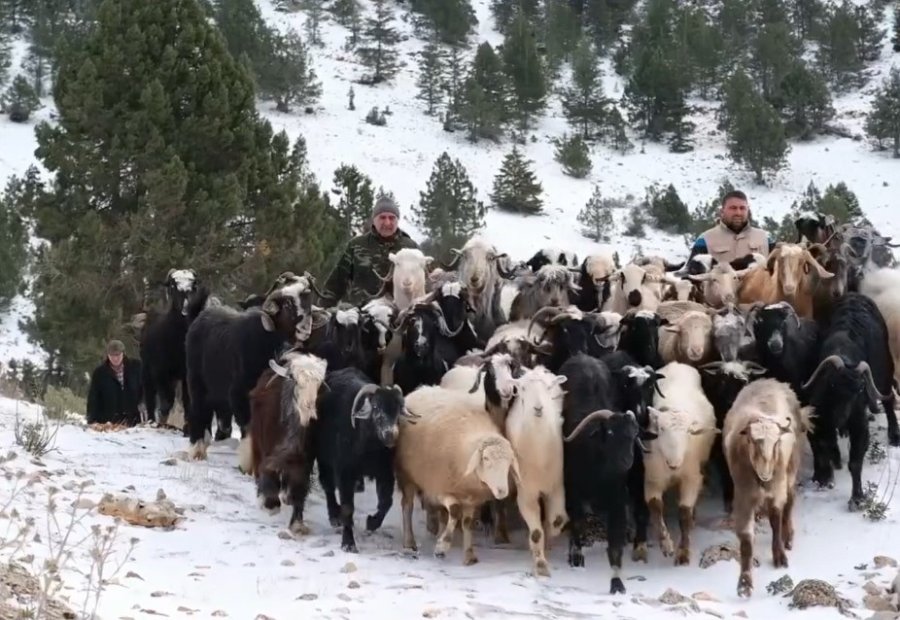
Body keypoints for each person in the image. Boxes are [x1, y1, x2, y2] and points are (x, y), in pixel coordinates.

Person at [321, 195, 420, 306]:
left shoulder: (411, 248)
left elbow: (426, 286)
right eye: (382, 218)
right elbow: (335, 284)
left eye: (391, 218)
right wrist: (322, 311)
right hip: (363, 316)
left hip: (400, 316)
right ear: (374, 220)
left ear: (397, 220)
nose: (387, 223)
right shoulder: (356, 246)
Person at [689, 190, 775, 265]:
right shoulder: (705, 240)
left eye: (742, 208)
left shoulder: (765, 238)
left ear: (748, 211)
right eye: (733, 208)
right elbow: (691, 276)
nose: (738, 213)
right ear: (722, 211)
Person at [86, 340, 144, 426]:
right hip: (109, 423)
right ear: (108, 355)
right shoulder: (100, 373)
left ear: (123, 353)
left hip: (134, 421)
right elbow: (93, 398)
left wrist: (144, 403)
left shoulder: (136, 367)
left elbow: (145, 388)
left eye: (117, 355)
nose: (115, 358)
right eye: (112, 355)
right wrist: (91, 419)